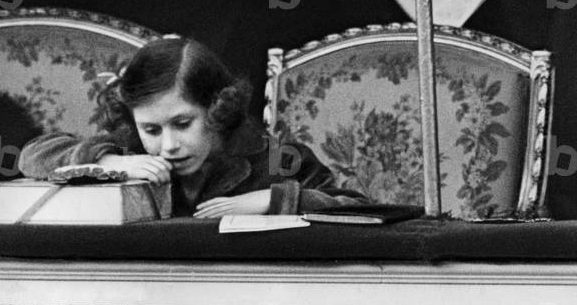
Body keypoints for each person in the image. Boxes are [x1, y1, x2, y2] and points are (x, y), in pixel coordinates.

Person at [19, 37, 363, 218]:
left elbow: (355, 207)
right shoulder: (128, 151)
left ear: (217, 109)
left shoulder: (272, 158)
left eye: (182, 124)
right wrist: (111, 164)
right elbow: (34, 155)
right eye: (151, 129)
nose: (168, 145)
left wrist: (271, 200)